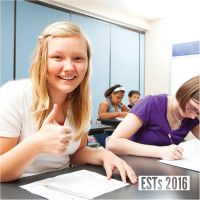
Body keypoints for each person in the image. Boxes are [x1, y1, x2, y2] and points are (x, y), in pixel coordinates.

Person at [0, 21, 137, 184]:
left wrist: (103, 154)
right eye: (57, 57)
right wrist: (36, 144)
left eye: (78, 58)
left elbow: (76, 154)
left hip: (65, 183)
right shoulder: (14, 94)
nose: (69, 67)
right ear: (42, 60)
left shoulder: (82, 103)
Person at [106, 76, 199, 161]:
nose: (193, 116)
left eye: (198, 113)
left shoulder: (192, 116)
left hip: (161, 169)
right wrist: (160, 152)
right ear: (185, 93)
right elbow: (113, 143)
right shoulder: (151, 103)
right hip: (131, 164)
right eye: (193, 108)